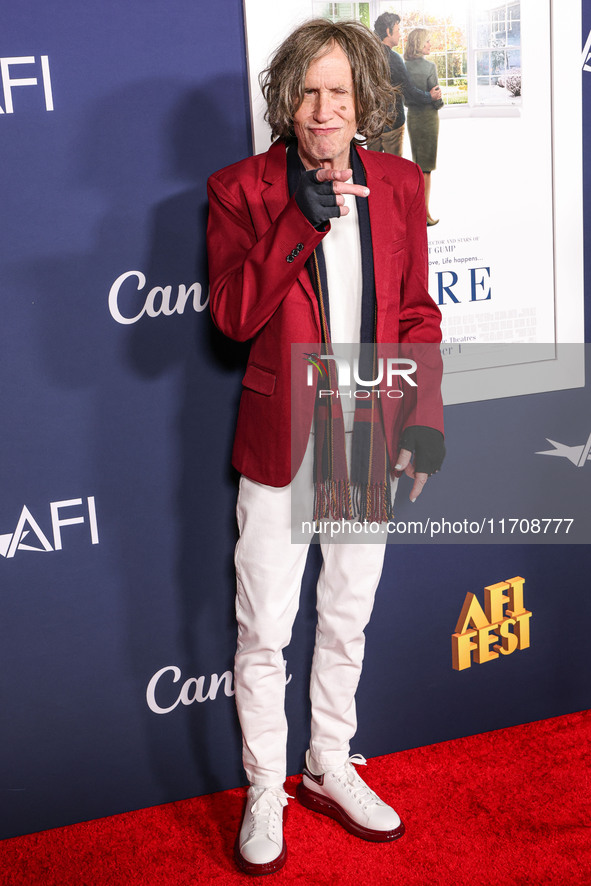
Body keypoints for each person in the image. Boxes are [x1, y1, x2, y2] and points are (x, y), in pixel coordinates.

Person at [207, 18, 444, 877]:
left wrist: (423, 420)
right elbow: (231, 317)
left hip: (365, 433)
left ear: (363, 101)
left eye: (339, 91)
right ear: (285, 97)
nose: (322, 108)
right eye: (308, 90)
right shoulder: (241, 188)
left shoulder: (399, 183)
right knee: (265, 628)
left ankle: (328, 763)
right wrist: (293, 228)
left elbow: (416, 313)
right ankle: (265, 783)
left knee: (345, 617)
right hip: (282, 436)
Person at [367, 12, 441, 158]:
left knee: (372, 168)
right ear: (388, 31)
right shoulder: (393, 58)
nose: (400, 34)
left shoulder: (368, 56)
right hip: (392, 125)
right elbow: (410, 92)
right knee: (394, 169)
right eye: (398, 29)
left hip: (372, 125)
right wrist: (430, 96)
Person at [404, 28, 444, 225]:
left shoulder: (403, 67)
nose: (430, 45)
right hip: (428, 119)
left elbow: (405, 96)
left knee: (417, 165)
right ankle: (424, 214)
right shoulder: (430, 67)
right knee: (426, 168)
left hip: (412, 118)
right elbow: (435, 95)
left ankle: (416, 211)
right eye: (427, 42)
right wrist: (439, 102)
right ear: (419, 44)